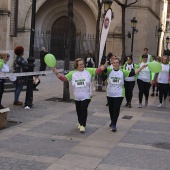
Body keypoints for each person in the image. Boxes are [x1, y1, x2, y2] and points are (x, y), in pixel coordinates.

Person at [52, 58, 107, 133]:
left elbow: (97, 71)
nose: (82, 65)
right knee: (79, 111)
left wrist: (104, 66)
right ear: (76, 65)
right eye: (80, 64)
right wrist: (57, 73)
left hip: (86, 96)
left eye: (83, 64)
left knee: (84, 109)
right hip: (77, 97)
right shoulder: (73, 73)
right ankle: (80, 122)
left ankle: (83, 125)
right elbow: (64, 79)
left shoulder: (88, 71)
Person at [106, 57, 147, 132]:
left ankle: (114, 124)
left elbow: (133, 73)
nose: (115, 64)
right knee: (111, 109)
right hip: (110, 94)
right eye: (114, 63)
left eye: (117, 63)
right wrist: (106, 64)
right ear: (112, 63)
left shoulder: (122, 71)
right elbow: (103, 70)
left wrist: (141, 67)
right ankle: (112, 121)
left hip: (119, 94)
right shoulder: (109, 70)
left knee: (116, 109)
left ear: (120, 64)